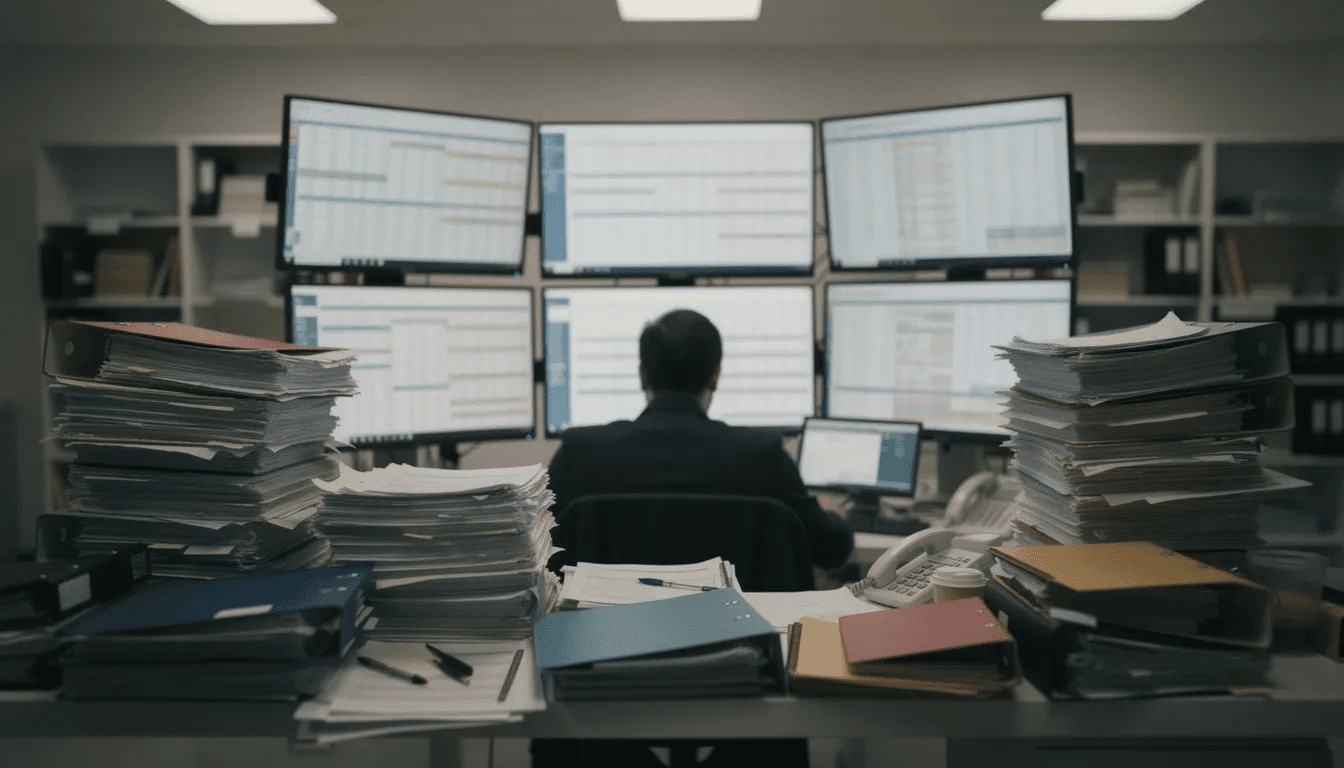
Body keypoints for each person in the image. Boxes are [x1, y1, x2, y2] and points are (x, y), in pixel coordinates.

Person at [546, 308, 854, 571]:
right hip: (742, 638)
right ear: (716, 375)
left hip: (606, 638)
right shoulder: (764, 457)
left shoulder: (579, 455)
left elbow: (535, 556)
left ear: (642, 375)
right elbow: (831, 550)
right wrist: (839, 516)